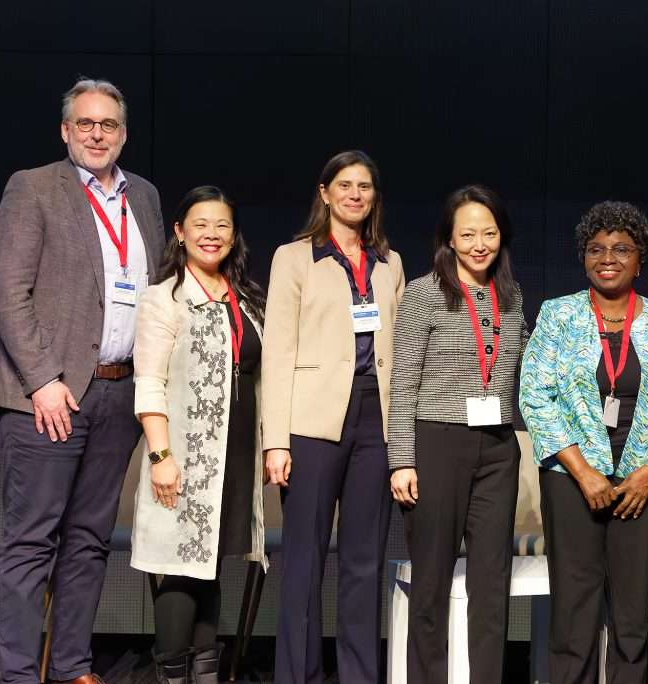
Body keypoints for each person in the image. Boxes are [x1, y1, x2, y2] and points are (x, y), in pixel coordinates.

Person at [0, 78, 165, 684]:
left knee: (89, 541)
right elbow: (7, 293)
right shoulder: (33, 188)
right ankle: (15, 673)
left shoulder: (143, 196)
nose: (97, 134)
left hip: (118, 392)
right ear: (66, 131)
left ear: (124, 134)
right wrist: (42, 381)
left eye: (108, 125)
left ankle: (70, 667)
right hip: (49, 397)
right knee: (31, 542)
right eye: (85, 124)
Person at [520, 201, 648, 683]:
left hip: (643, 481)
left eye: (622, 248)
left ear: (641, 259)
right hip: (572, 478)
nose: (608, 257)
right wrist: (583, 473)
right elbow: (535, 396)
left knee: (631, 614)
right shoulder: (557, 315)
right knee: (573, 612)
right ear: (583, 257)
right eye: (596, 248)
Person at [262, 150, 405, 684]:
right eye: (344, 185)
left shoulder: (390, 262)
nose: (355, 194)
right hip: (312, 421)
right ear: (324, 193)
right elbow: (277, 351)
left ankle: (359, 676)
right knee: (304, 561)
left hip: (376, 419)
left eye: (364, 186)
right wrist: (275, 441)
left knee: (365, 563)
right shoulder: (294, 257)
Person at [388, 185, 527, 683]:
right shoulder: (425, 293)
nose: (478, 243)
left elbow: (522, 367)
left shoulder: (510, 297)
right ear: (449, 238)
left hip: (497, 448)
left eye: (488, 232)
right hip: (436, 443)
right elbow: (402, 379)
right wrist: (401, 459)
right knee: (431, 582)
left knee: (492, 583)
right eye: (467, 233)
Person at [130, 186, 267, 684]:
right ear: (180, 232)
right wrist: (161, 455)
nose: (212, 234)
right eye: (201, 224)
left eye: (222, 226)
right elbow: (149, 382)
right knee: (180, 566)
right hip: (183, 455)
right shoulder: (163, 298)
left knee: (209, 563)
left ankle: (205, 672)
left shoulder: (246, 300)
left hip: (233, 457)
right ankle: (170, 673)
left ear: (233, 237)